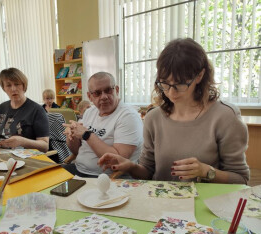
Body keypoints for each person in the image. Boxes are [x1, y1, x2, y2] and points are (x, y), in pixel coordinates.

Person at [98, 38, 249, 184]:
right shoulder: (154, 118)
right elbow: (148, 172)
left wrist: (207, 172)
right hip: (161, 203)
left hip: (204, 205)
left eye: (180, 84)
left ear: (200, 76)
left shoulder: (225, 117)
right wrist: (130, 166)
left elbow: (241, 179)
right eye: (165, 83)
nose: (171, 92)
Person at [62, 71, 143, 177]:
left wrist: (87, 135)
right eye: (97, 93)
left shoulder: (128, 116)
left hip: (107, 178)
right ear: (90, 97)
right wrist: (71, 136)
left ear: (117, 90)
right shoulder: (89, 112)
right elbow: (77, 151)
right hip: (78, 170)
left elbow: (117, 161)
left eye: (108, 90)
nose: (104, 96)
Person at [0, 68, 49, 152]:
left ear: (24, 86)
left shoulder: (37, 110)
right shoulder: (1, 108)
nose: (13, 89)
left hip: (26, 158)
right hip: (1, 156)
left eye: (17, 84)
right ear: (4, 88)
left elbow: (45, 146)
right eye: (8, 85)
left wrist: (21, 141)